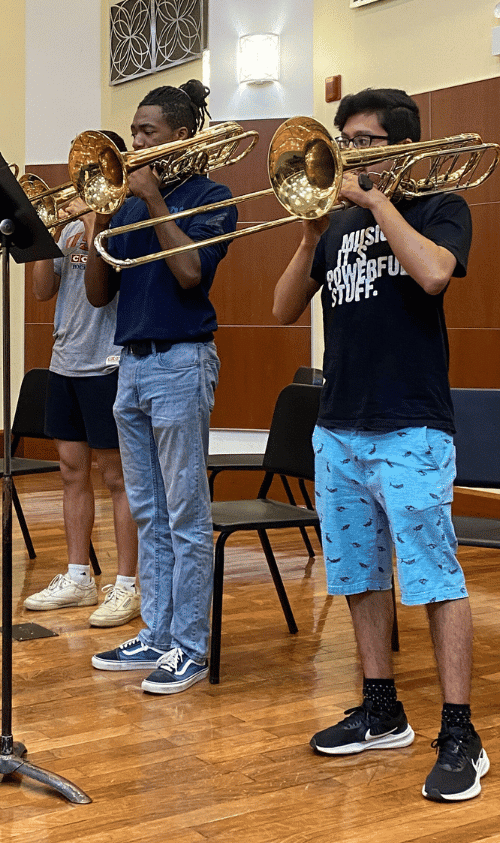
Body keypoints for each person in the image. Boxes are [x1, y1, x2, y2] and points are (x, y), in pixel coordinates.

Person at [272, 88, 488, 802]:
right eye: (343, 139)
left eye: (361, 139)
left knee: (433, 575)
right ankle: (381, 707)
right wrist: (310, 230)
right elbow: (279, 311)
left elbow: (432, 275)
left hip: (412, 424)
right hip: (339, 425)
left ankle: (460, 731)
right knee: (360, 574)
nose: (346, 152)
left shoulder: (438, 208)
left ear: (399, 145)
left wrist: (376, 203)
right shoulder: (333, 229)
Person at [84, 80, 237, 694]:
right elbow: (99, 293)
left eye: (147, 132)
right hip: (131, 363)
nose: (135, 141)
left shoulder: (212, 195)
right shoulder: (124, 204)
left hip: (182, 361)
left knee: (185, 514)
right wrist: (100, 216)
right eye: (135, 131)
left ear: (179, 137)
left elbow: (190, 272)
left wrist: (152, 203)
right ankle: (158, 632)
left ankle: (191, 647)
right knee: (147, 512)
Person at [23, 131, 140, 627]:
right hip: (65, 359)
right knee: (71, 471)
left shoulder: (121, 219)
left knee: (117, 477)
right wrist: (41, 236)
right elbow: (43, 292)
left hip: (108, 361)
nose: (82, 177)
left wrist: (96, 219)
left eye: (94, 167)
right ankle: (78, 575)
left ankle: (128, 584)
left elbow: (109, 287)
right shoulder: (68, 225)